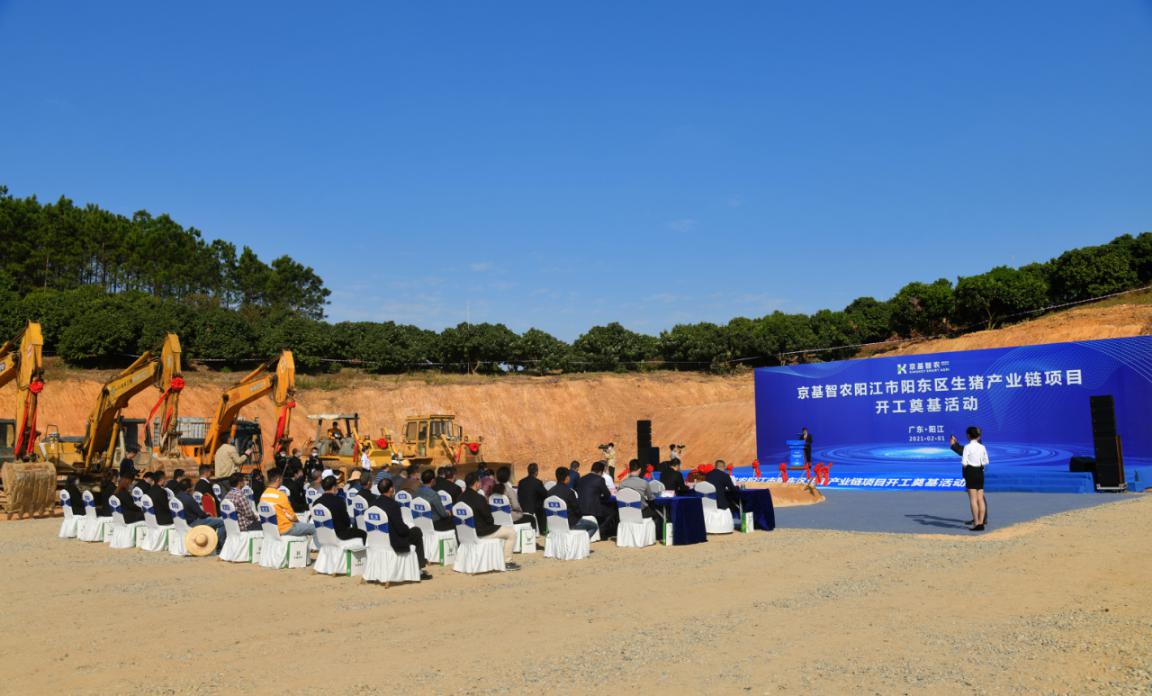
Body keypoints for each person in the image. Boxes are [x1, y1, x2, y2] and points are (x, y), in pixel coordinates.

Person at [460, 472, 520, 571]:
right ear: (476, 483)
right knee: (511, 533)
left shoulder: (460, 498)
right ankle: (507, 562)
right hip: (481, 532)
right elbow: (489, 519)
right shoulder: (479, 498)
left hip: (466, 533)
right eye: (479, 481)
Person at [374, 479, 432, 578]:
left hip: (377, 540)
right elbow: (401, 530)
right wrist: (408, 529)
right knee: (416, 531)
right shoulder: (393, 505)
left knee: (413, 531)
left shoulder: (373, 504)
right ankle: (419, 569)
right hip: (394, 542)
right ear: (391, 489)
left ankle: (420, 564)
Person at [259, 468, 315, 537]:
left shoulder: (263, 496)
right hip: (285, 529)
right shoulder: (280, 495)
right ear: (278, 479)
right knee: (315, 528)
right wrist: (298, 521)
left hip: (271, 530)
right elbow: (291, 516)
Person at [175, 478, 226, 551]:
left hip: (180, 523)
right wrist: (208, 515)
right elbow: (201, 514)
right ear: (188, 489)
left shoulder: (175, 497)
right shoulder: (188, 499)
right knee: (222, 522)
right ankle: (220, 547)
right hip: (193, 522)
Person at [950, 433, 990, 525]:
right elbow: (965, 451)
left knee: (976, 498)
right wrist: (955, 444)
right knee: (978, 498)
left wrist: (954, 445)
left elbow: (964, 452)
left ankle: (980, 520)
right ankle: (980, 519)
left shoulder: (975, 446)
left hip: (973, 474)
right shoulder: (977, 446)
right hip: (976, 474)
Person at [549, 467, 599, 538]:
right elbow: (577, 510)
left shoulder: (550, 492)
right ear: (567, 478)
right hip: (570, 524)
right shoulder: (569, 492)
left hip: (554, 525)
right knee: (593, 526)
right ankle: (583, 542)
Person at [315, 475, 366, 542]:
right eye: (337, 486)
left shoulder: (316, 503)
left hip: (322, 535)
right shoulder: (339, 501)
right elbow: (347, 522)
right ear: (334, 487)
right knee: (363, 533)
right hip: (339, 535)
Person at [576, 461, 617, 538]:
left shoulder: (581, 479)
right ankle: (600, 530)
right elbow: (607, 495)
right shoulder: (600, 479)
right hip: (592, 509)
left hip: (580, 508)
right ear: (601, 472)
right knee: (612, 512)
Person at [960, 427, 989, 531]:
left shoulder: (967, 447)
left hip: (971, 472)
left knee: (973, 499)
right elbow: (986, 461)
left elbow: (964, 463)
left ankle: (976, 523)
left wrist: (968, 465)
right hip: (980, 472)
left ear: (968, 435)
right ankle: (981, 523)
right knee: (980, 498)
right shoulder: (982, 447)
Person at [515, 463, 548, 533]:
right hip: (533, 511)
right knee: (543, 509)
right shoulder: (537, 482)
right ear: (536, 472)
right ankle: (542, 531)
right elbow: (545, 495)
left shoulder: (521, 482)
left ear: (528, 471)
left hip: (522, 509)